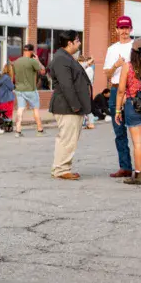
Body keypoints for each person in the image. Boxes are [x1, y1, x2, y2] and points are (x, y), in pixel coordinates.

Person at [104, 16, 141, 179]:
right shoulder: (112, 49)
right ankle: (125, 166)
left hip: (134, 92)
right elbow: (107, 74)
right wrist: (116, 65)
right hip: (116, 89)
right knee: (119, 132)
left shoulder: (136, 46)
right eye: (121, 28)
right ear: (116, 30)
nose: (124, 31)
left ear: (131, 29)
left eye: (126, 28)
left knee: (138, 132)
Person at [49, 30, 91, 180]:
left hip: (70, 106)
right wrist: (76, 106)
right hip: (67, 107)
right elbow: (66, 85)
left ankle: (61, 168)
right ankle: (61, 170)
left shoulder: (66, 57)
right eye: (77, 40)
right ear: (70, 43)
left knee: (68, 139)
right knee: (67, 139)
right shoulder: (61, 59)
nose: (79, 43)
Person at [114, 38, 141, 185]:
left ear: (133, 51)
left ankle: (138, 176)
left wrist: (118, 110)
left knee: (138, 143)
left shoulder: (128, 66)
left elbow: (120, 91)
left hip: (133, 106)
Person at [11, 43, 46, 138]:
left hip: (19, 89)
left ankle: (18, 131)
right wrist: (38, 60)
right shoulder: (32, 61)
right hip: (30, 90)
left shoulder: (16, 61)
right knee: (35, 109)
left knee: (20, 109)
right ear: (31, 51)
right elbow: (43, 71)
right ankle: (40, 129)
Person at [79, 55, 97, 129]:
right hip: (85, 88)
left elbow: (86, 80)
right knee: (85, 106)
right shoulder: (88, 69)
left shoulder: (89, 69)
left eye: (80, 62)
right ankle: (87, 122)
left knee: (86, 106)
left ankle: (90, 122)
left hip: (86, 88)